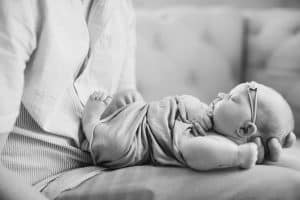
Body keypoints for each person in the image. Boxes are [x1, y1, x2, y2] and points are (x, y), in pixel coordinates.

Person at [0, 0, 296, 199]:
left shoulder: (118, 7)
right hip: (39, 180)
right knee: (284, 187)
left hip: (112, 161)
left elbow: (127, 104)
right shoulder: (19, 7)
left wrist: (238, 134)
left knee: (287, 173)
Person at [81, 81, 296, 171]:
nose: (221, 95)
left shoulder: (219, 143)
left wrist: (237, 155)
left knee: (115, 145)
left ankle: (91, 124)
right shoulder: (212, 117)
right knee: (131, 97)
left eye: (230, 98)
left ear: (244, 129)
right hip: (144, 112)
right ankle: (118, 113)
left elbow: (192, 152)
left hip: (140, 138)